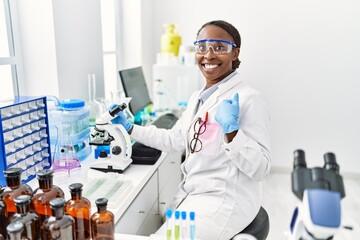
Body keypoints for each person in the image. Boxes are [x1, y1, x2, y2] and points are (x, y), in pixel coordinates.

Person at [115, 20, 271, 240]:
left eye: (219, 47)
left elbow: (261, 169)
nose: (208, 55)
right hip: (195, 196)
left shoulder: (249, 99)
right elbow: (175, 139)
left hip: (224, 202)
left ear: (235, 53)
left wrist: (232, 133)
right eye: (201, 47)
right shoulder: (197, 98)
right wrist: (130, 128)